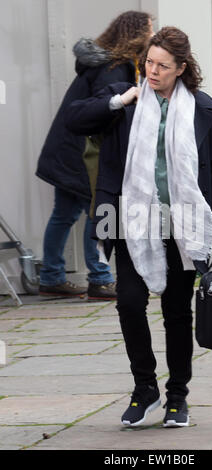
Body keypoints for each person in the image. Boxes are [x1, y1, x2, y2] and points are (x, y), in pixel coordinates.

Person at [66, 27, 212, 426]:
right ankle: (145, 387)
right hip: (131, 221)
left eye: (162, 65)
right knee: (128, 303)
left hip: (182, 226)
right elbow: (73, 121)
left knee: (177, 311)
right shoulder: (126, 104)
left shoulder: (203, 110)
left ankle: (178, 394)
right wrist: (120, 98)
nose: (152, 71)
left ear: (181, 68)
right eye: (148, 63)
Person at [36, 11, 154, 300]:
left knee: (64, 215)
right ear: (136, 34)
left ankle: (51, 277)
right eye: (150, 31)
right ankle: (100, 279)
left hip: (66, 150)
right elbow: (103, 112)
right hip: (83, 154)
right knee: (98, 211)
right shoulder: (113, 68)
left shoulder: (106, 62)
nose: (153, 36)